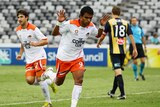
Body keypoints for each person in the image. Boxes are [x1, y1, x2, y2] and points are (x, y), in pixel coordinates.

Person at [43, 6, 109, 107]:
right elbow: (54, 33)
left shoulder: (91, 26)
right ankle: (50, 74)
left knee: (79, 80)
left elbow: (97, 35)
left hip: (77, 57)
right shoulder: (70, 24)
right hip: (63, 58)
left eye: (90, 18)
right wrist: (59, 22)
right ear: (80, 16)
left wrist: (101, 26)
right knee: (58, 82)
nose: (88, 20)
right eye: (86, 17)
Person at [16, 9, 56, 107]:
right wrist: (20, 54)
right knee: (30, 80)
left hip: (39, 56)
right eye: (18, 17)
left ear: (26, 18)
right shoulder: (18, 30)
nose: (19, 19)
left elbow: (45, 40)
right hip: (29, 59)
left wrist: (36, 43)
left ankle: (48, 102)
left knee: (39, 78)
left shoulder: (33, 28)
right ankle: (49, 81)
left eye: (21, 17)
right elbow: (22, 43)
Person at [97, 6, 137, 99]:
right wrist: (135, 48)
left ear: (112, 12)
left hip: (114, 51)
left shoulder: (110, 22)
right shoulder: (126, 23)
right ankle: (112, 92)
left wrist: (99, 43)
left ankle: (123, 94)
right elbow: (131, 36)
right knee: (117, 71)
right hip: (123, 52)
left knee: (118, 72)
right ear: (120, 13)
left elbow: (103, 35)